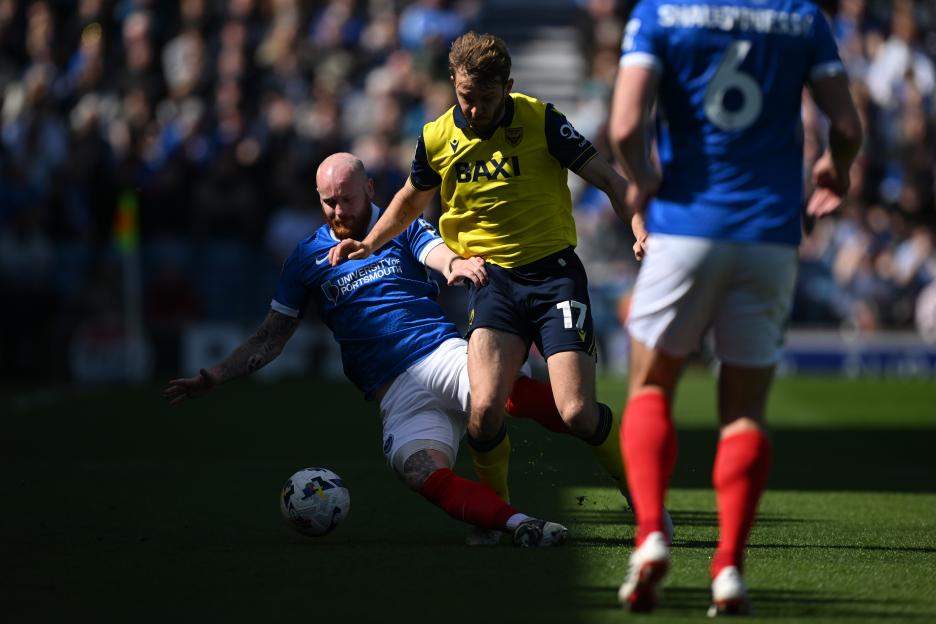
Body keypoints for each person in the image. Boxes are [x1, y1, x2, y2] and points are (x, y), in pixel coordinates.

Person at [164, 153, 569, 548]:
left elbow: (436, 252)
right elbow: (270, 338)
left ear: (369, 189)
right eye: (328, 201)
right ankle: (520, 524)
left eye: (347, 199)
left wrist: (453, 266)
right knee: (418, 471)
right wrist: (214, 375)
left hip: (437, 353)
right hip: (394, 392)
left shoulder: (401, 225)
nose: (338, 210)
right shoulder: (306, 258)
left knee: (505, 393)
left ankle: (590, 423)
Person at [609, 0, 863, 615]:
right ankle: (727, 570)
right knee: (745, 410)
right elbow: (848, 128)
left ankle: (649, 535)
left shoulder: (661, 13)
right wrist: (837, 169)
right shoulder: (802, 17)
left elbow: (623, 128)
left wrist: (641, 179)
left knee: (650, 385)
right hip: (770, 235)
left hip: (686, 227)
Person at [329, 31, 640, 507]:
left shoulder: (541, 120)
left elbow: (608, 179)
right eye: (465, 98)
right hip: (492, 281)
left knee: (576, 412)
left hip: (554, 275)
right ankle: (497, 517)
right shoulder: (436, 137)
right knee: (485, 411)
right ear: (454, 82)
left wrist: (638, 224)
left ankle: (640, 489)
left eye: (487, 99)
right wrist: (369, 242)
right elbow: (411, 200)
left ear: (508, 86)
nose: (474, 110)